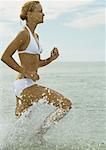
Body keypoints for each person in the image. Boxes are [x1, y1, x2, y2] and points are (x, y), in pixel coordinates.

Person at [1, 0, 72, 135]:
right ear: (29, 13)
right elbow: (5, 56)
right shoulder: (23, 34)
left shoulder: (35, 36)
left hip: (27, 84)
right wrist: (26, 72)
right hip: (24, 84)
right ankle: (39, 134)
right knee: (66, 104)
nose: (43, 14)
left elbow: (37, 63)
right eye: (40, 11)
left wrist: (51, 59)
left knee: (18, 128)